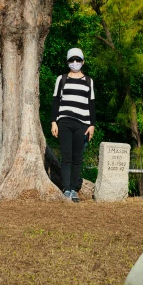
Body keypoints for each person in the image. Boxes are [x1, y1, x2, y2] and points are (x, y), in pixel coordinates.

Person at [51, 48, 95, 202]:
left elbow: (91, 104)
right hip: (64, 122)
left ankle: (74, 189)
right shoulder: (61, 79)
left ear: (83, 62)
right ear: (67, 62)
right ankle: (66, 189)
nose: (75, 63)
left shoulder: (89, 81)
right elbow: (56, 101)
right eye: (71, 60)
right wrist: (53, 122)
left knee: (78, 158)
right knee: (66, 157)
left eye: (78, 60)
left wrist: (92, 125)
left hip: (82, 123)